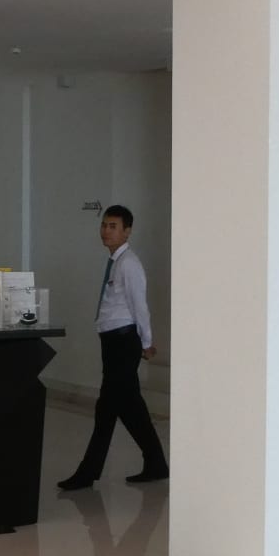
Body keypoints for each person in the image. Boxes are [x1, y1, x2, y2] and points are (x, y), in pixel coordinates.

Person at [59, 204, 167, 489]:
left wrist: (146, 342)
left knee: (106, 409)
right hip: (113, 341)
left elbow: (139, 306)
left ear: (127, 231)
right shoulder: (116, 262)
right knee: (130, 408)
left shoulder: (129, 264)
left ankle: (88, 472)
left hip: (123, 342)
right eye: (104, 225)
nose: (106, 231)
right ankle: (156, 462)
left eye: (113, 226)